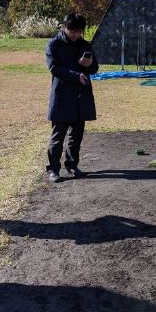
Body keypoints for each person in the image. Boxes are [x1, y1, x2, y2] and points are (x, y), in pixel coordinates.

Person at [45, 12, 99, 183]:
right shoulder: (53, 45)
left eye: (79, 31)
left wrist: (90, 65)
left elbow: (95, 68)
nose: (76, 35)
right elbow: (54, 68)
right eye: (73, 31)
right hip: (62, 95)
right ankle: (53, 169)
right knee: (58, 136)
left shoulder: (84, 45)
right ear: (64, 27)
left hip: (81, 96)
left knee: (76, 135)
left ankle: (72, 165)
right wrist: (76, 76)